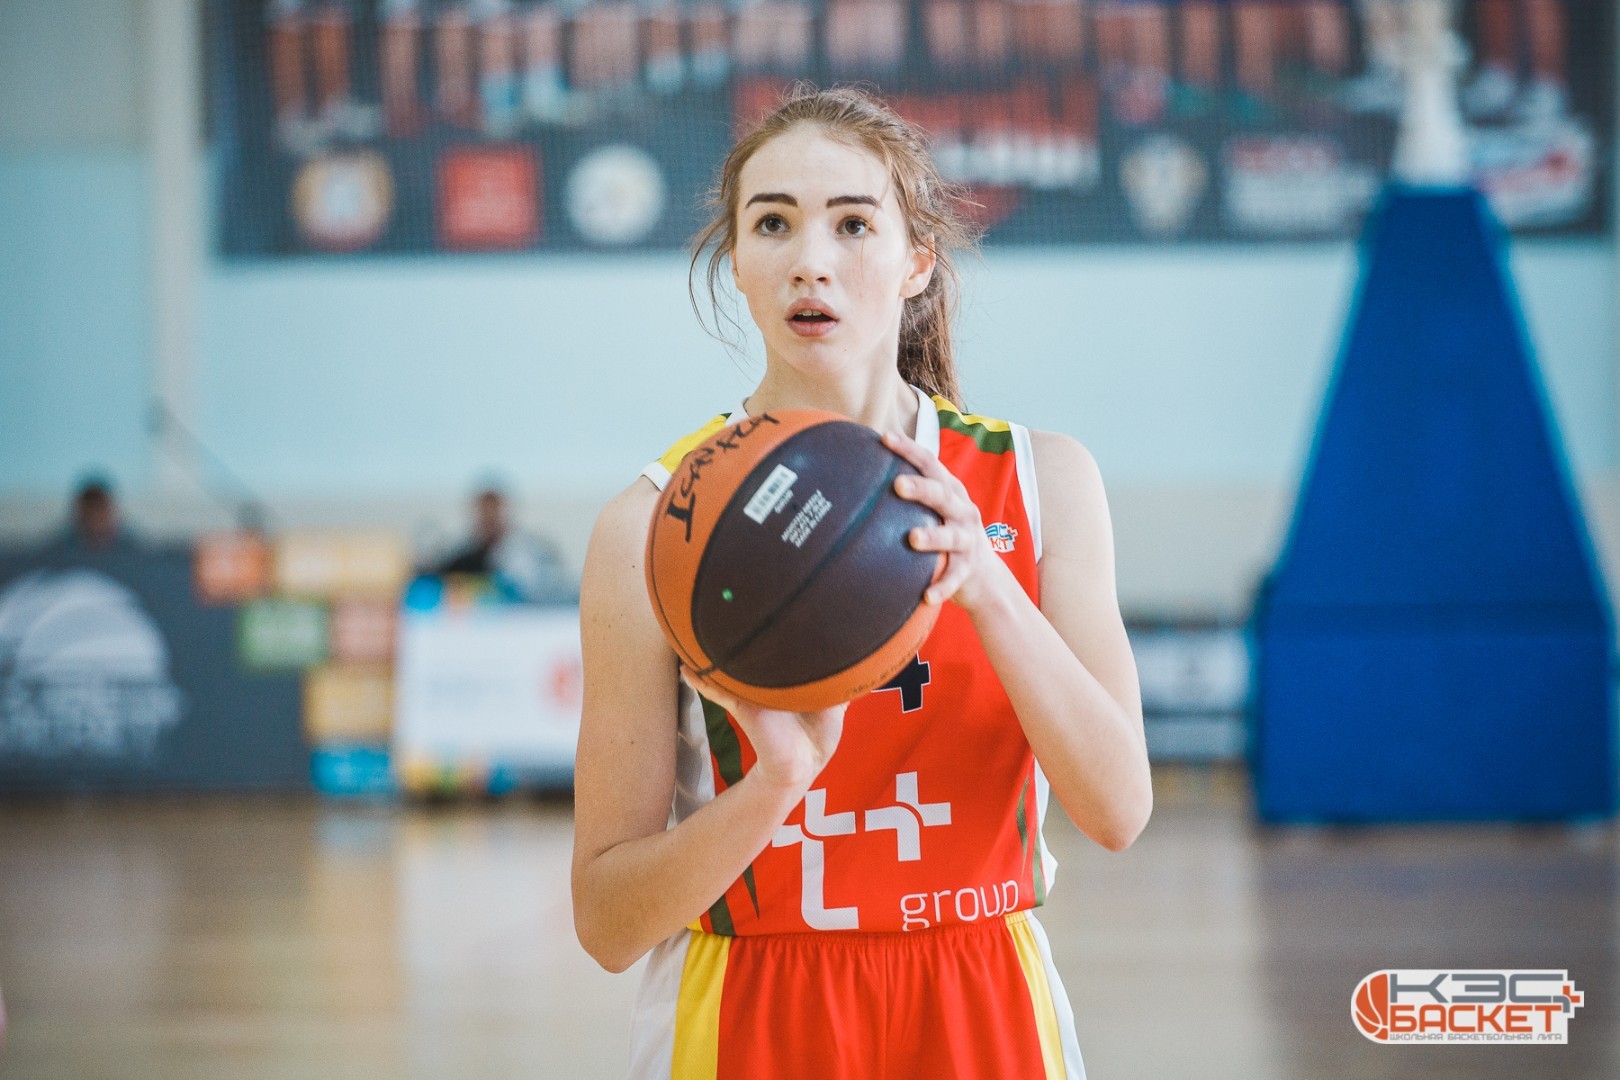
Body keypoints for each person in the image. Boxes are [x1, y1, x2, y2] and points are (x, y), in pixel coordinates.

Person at [571, 86, 1151, 1078]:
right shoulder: (651, 528)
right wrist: (776, 785)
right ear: (737, 263)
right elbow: (608, 923)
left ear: (917, 259)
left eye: (852, 224)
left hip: (984, 996)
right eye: (773, 224)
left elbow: (1118, 812)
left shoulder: (1041, 482)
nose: (811, 260)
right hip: (749, 1007)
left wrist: (987, 585)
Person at [433, 486, 571, 601]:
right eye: (484, 516)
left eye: (493, 514)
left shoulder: (529, 553)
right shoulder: (463, 556)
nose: (489, 521)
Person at [43, 476, 134, 555]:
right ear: (79, 510)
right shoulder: (53, 553)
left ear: (112, 509)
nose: (95, 515)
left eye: (100, 507)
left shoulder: (134, 553)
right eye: (90, 507)